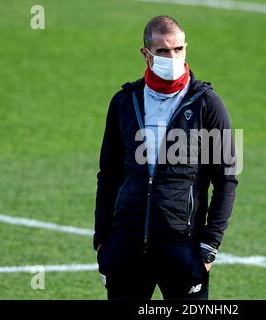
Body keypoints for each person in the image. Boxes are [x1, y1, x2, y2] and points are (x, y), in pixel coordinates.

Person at [93, 15, 238, 300]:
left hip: (183, 246)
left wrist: (210, 245)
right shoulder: (124, 101)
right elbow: (108, 173)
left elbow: (227, 179)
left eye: (178, 49)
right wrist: (103, 239)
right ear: (146, 54)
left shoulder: (208, 104)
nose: (172, 57)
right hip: (126, 244)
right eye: (162, 51)